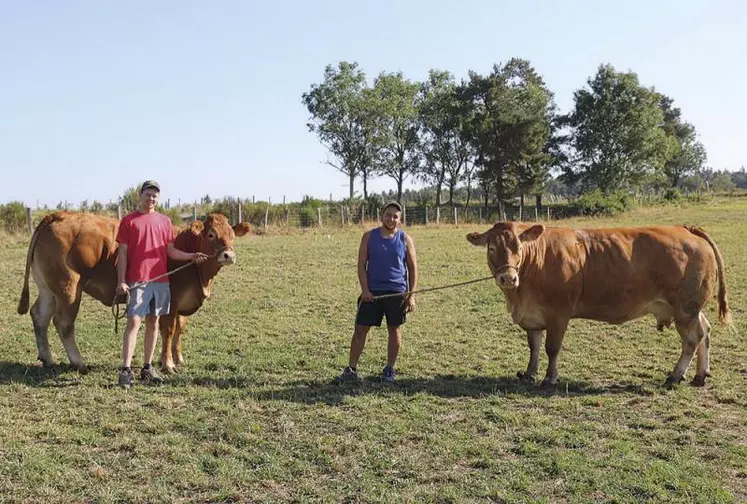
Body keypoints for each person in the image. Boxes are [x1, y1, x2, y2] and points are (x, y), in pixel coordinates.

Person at [115, 180, 209, 389]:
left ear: (158, 198)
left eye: (155, 195)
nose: (151, 198)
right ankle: (126, 370)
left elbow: (171, 251)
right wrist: (122, 280)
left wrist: (191, 256)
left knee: (154, 324)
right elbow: (122, 252)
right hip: (138, 280)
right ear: (140, 195)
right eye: (148, 194)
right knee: (133, 324)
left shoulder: (164, 222)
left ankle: (147, 368)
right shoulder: (129, 221)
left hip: (161, 281)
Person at [338, 201, 418, 382]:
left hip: (396, 292)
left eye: (395, 216)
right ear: (382, 215)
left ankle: (389, 369)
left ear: (400, 219)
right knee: (360, 330)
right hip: (372, 293)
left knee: (394, 329)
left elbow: (413, 269)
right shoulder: (368, 237)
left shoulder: (405, 239)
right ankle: (351, 369)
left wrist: (411, 295)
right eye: (388, 215)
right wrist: (365, 290)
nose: (391, 219)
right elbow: (361, 265)